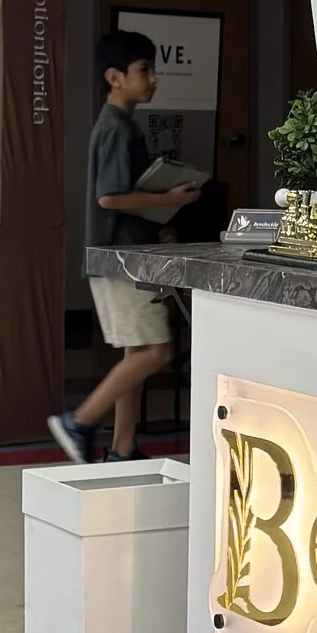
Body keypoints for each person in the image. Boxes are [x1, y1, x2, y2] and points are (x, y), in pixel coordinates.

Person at [49, 30, 200, 462]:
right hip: (120, 260)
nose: (152, 79)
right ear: (114, 77)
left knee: (136, 352)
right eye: (143, 70)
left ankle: (122, 447)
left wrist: (161, 217)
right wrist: (169, 200)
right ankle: (78, 422)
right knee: (156, 352)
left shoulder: (121, 126)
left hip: (125, 256)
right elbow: (110, 197)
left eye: (154, 70)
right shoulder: (116, 128)